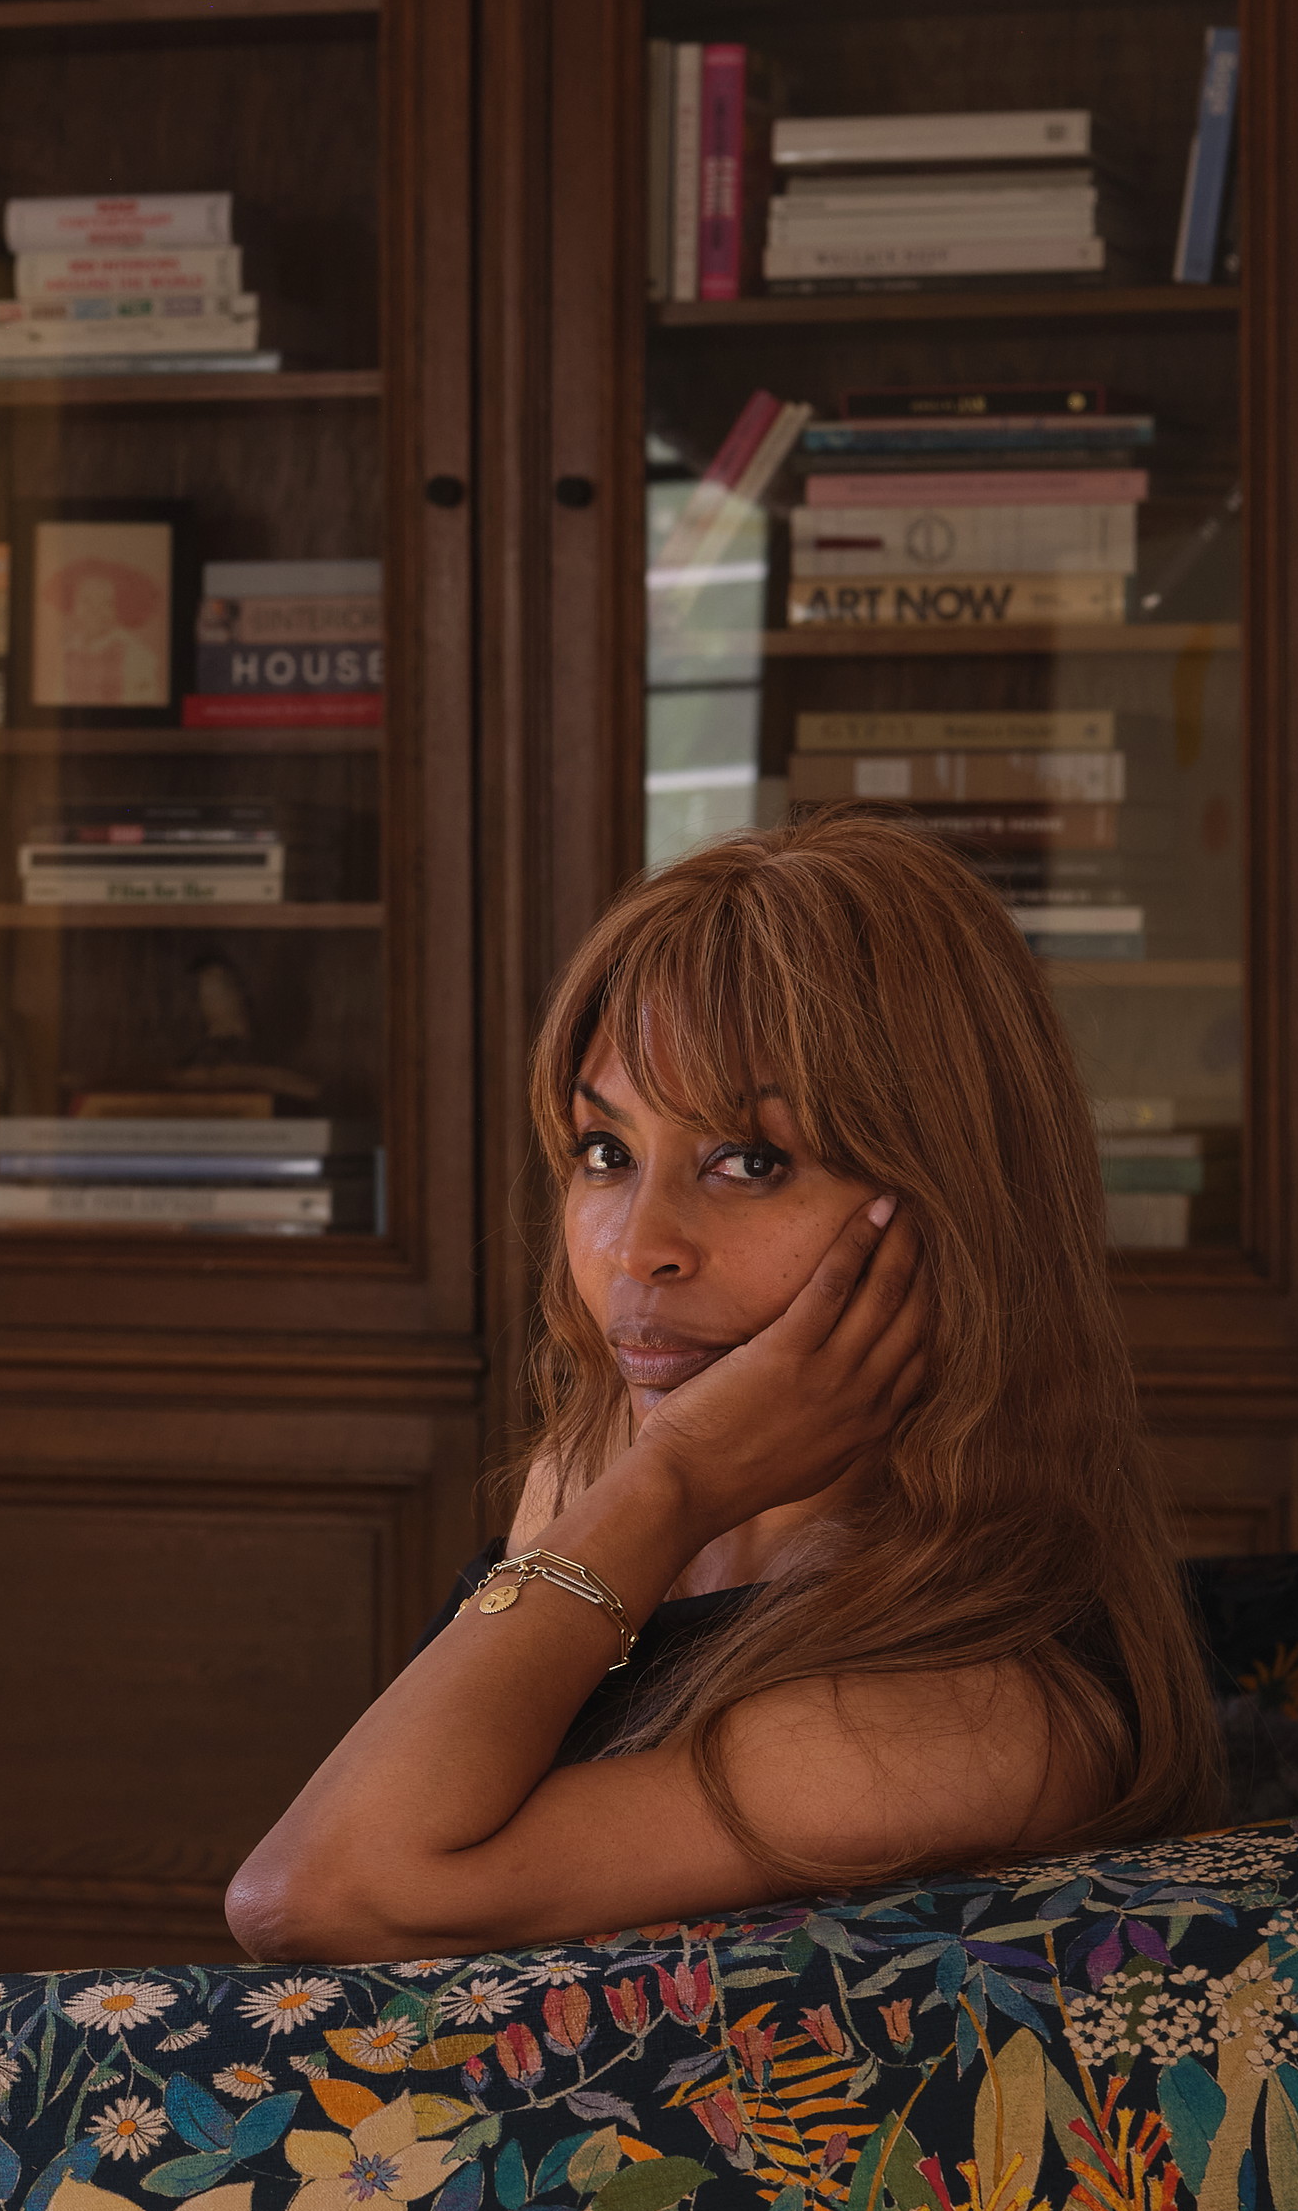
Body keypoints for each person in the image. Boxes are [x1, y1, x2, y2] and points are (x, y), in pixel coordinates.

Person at [225, 812, 1224, 1965]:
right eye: (606, 1153)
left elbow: (309, 1898)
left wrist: (676, 1485)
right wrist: (659, 1492)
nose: (640, 1245)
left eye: (749, 1162)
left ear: (953, 1211)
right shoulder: (605, 1469)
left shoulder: (986, 1718)